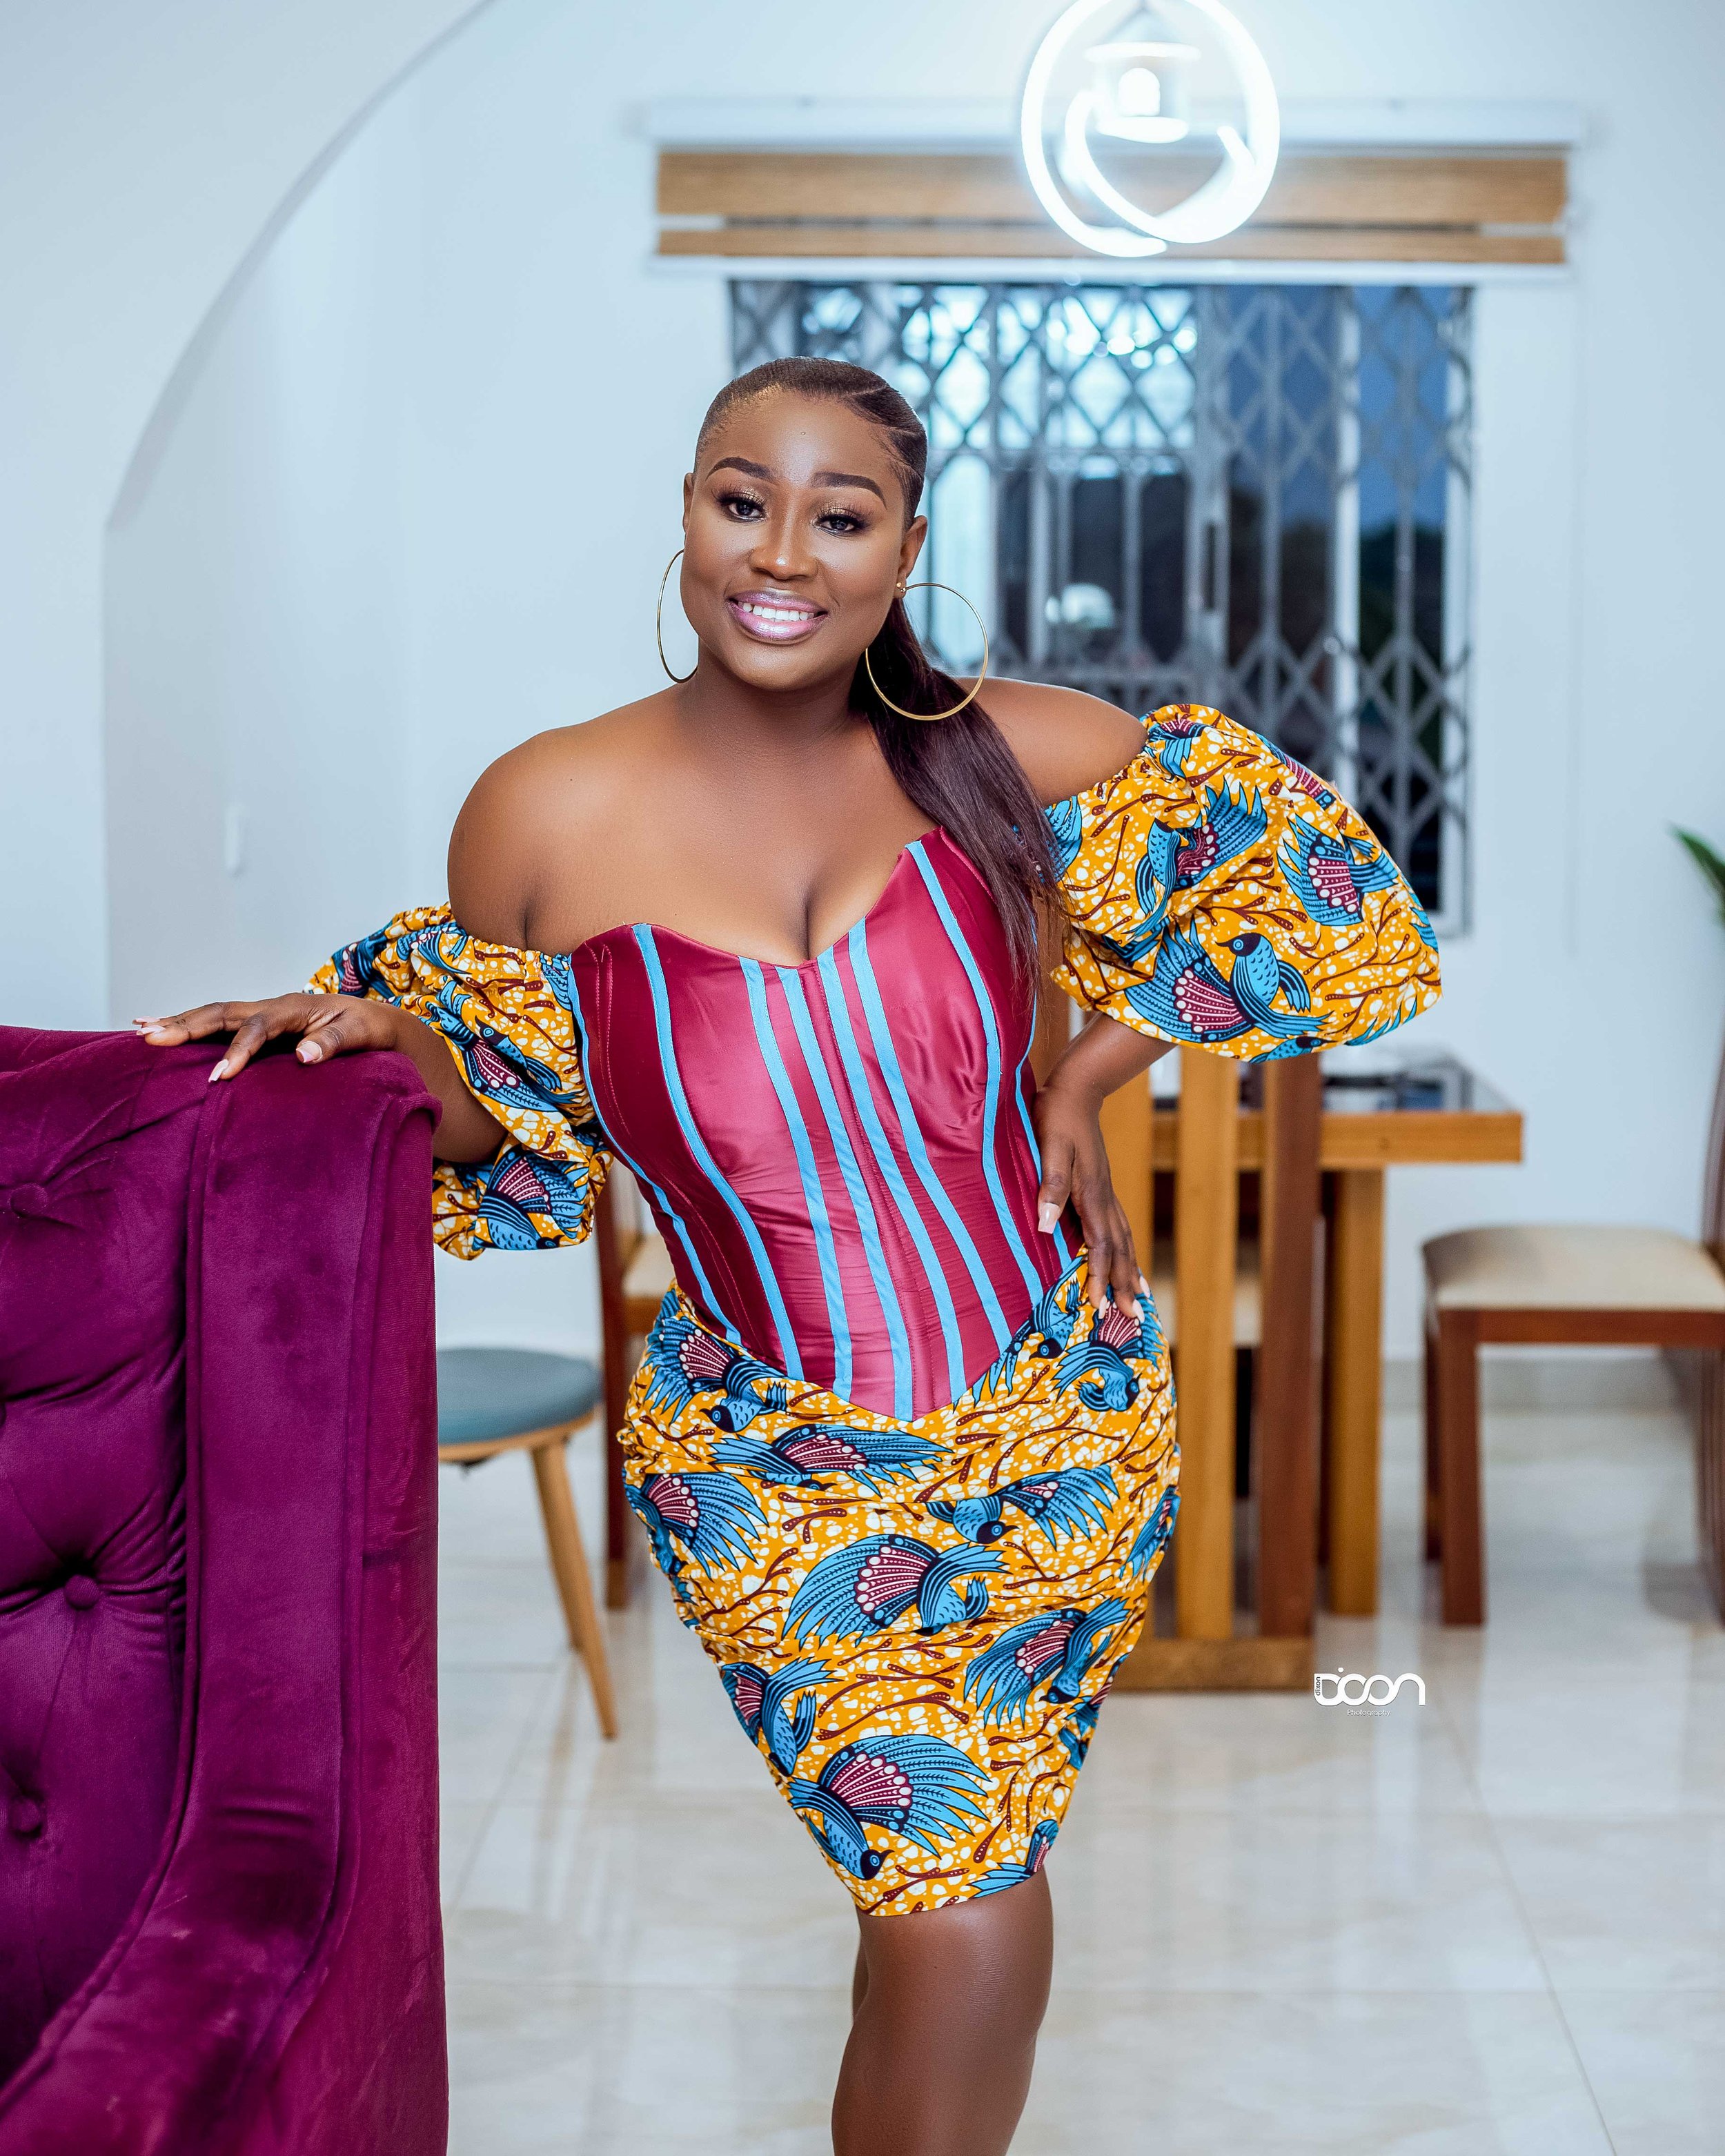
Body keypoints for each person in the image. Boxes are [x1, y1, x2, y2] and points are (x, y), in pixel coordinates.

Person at [137, 357, 1439, 2155]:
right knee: (962, 1898)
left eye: (842, 517)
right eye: (741, 499)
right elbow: (509, 1106)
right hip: (767, 1466)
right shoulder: (543, 811)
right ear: (686, 510)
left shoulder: (1001, 755)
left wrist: (1090, 1062)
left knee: (942, 1896)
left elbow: (1313, 880)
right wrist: (375, 1043)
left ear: (902, 551)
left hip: (1063, 1429)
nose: (782, 552)